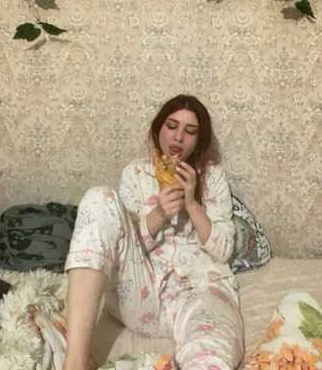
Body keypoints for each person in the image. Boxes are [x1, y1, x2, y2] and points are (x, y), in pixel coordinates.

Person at [63, 94, 244, 370]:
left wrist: (192, 204)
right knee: (99, 197)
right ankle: (75, 362)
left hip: (199, 290)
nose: (179, 137)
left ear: (199, 141)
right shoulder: (136, 173)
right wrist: (159, 214)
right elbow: (121, 245)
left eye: (190, 131)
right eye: (171, 126)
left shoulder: (213, 176)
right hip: (143, 294)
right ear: (158, 129)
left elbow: (223, 252)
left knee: (210, 355)